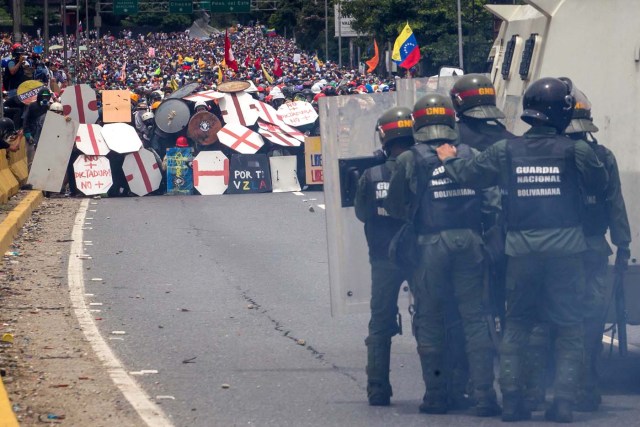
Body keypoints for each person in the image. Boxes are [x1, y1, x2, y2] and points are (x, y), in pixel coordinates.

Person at [435, 77, 609, 423]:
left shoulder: (506, 151)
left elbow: (471, 175)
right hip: (566, 252)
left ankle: (513, 402)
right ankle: (562, 402)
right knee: (569, 327)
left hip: (521, 252)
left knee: (517, 326)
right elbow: (599, 184)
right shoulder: (577, 151)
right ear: (564, 113)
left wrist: (449, 159)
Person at [385, 93, 500, 417]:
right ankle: (483, 395)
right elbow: (492, 203)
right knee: (475, 318)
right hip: (471, 242)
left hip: (429, 246)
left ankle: (436, 395)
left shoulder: (410, 158)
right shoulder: (470, 153)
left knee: (431, 319)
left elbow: (395, 206)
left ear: (417, 123)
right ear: (451, 121)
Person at [561, 84, 631, 412]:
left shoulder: (548, 153)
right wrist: (623, 244)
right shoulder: (603, 157)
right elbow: (614, 203)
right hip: (594, 247)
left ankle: (562, 384)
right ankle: (586, 385)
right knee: (591, 317)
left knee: (561, 318)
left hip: (559, 248)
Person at [353, 106, 415, 406]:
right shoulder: (423, 167)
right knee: (433, 318)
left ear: (384, 137)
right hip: (419, 254)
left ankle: (377, 388)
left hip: (382, 255)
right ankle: (440, 392)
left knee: (380, 322)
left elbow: (362, 214)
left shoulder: (371, 174)